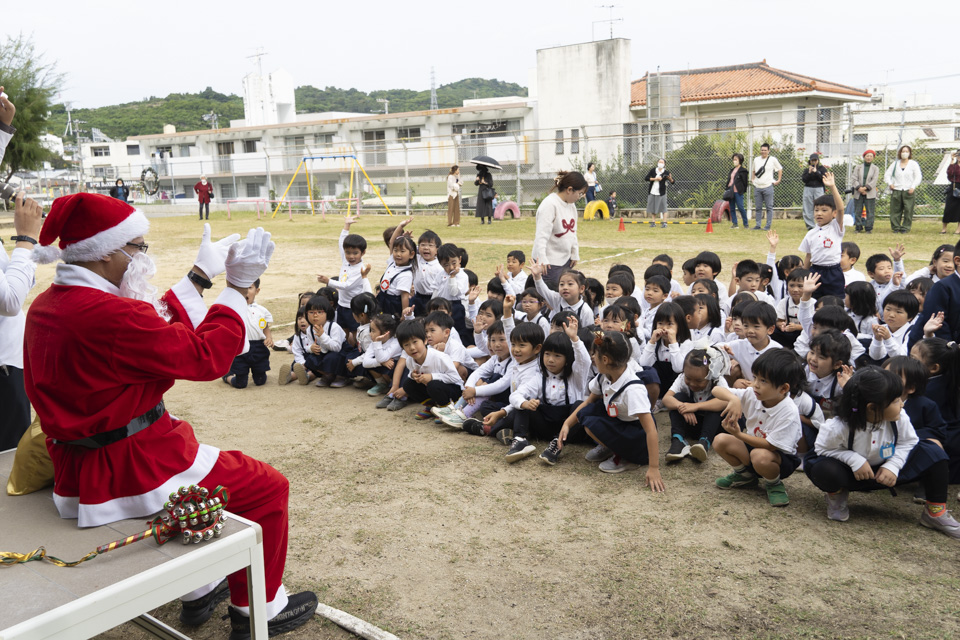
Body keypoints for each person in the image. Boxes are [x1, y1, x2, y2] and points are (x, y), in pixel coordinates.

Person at [24, 194, 317, 636]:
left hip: (78, 464)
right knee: (267, 489)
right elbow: (205, 357)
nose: (144, 257)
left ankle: (199, 590)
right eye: (138, 247)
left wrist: (200, 276)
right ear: (105, 251)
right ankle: (258, 608)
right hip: (133, 464)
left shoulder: (49, 303)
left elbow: (150, 328)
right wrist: (236, 288)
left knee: (215, 487)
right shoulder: (111, 316)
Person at [804, 367, 958, 536]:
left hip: (887, 473)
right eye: (895, 400)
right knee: (823, 469)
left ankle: (934, 512)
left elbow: (909, 441)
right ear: (872, 408)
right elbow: (821, 448)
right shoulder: (838, 426)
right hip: (852, 474)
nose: (902, 403)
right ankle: (837, 495)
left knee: (934, 452)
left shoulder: (900, 417)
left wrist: (893, 465)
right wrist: (853, 459)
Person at [0, 90, 42, 452]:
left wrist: (3, 126)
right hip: (3, 370)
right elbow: (9, 300)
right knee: (8, 464)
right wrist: (26, 240)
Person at [712, 349, 804, 507]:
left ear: (783, 389)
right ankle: (745, 476)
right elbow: (716, 390)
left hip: (780, 458)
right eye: (755, 378)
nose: (755, 385)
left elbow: (771, 445)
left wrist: (738, 435)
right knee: (720, 441)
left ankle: (774, 484)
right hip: (754, 446)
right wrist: (733, 399)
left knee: (759, 455)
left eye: (763, 381)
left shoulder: (789, 411)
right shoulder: (751, 394)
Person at [531, 171, 585, 285]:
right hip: (549, 263)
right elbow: (541, 236)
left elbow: (572, 232)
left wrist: (574, 252)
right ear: (569, 190)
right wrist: (543, 259)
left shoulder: (571, 205)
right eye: (579, 193)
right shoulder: (550, 204)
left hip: (565, 261)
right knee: (549, 297)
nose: (579, 197)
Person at [799, 172, 845, 300]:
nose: (819, 213)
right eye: (816, 210)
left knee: (835, 302)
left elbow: (841, 209)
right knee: (814, 301)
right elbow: (808, 256)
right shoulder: (811, 233)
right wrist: (804, 274)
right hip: (815, 272)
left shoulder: (836, 227)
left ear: (834, 213)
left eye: (824, 210)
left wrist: (832, 187)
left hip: (833, 272)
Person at [222, 278, 273, 389]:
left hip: (259, 347)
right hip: (240, 348)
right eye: (242, 287)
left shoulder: (262, 310)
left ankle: (258, 373)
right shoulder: (233, 309)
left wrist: (269, 337)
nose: (245, 291)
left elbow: (265, 327)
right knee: (241, 383)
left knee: (260, 381)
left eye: (249, 287)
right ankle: (227, 376)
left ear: (257, 291)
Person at [885, 145, 923, 234]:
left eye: (906, 151)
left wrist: (913, 186)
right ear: (900, 153)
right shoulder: (895, 164)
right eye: (903, 151)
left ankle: (905, 227)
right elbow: (887, 175)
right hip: (897, 189)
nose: (904, 153)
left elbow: (918, 176)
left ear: (909, 153)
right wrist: (890, 183)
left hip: (908, 190)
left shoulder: (913, 164)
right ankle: (896, 227)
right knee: (895, 209)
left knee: (908, 209)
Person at [750, 143, 783, 231]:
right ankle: (758, 225)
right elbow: (753, 170)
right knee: (758, 207)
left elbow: (779, 169)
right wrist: (753, 180)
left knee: (769, 207)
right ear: (760, 150)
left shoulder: (772, 159)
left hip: (768, 186)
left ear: (768, 151)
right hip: (757, 187)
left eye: (765, 150)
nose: (763, 152)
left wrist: (778, 180)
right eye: (762, 150)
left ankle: (768, 225)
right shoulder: (756, 159)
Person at [850, 150, 879, 233]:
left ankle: (868, 228)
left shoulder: (875, 168)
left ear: (873, 157)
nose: (869, 158)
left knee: (870, 211)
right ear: (864, 157)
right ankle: (858, 227)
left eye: (871, 156)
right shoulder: (858, 167)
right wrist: (859, 188)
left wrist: (866, 188)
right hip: (858, 192)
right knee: (857, 210)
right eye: (867, 156)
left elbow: (874, 180)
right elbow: (854, 178)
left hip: (869, 192)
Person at [801, 153, 827, 230]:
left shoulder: (822, 169)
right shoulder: (806, 170)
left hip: (818, 188)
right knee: (808, 207)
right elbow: (804, 180)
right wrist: (809, 173)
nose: (814, 162)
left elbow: (823, 178)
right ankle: (810, 226)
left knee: (821, 206)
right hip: (808, 188)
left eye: (815, 160)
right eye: (812, 160)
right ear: (810, 161)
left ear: (818, 161)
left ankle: (821, 224)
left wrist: (816, 172)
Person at [645, 158, 674, 228]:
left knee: (663, 208)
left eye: (662, 162)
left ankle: (664, 222)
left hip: (661, 192)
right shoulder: (653, 170)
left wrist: (670, 178)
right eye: (659, 162)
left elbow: (673, 182)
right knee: (653, 208)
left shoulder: (666, 172)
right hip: (653, 191)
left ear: (664, 164)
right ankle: (653, 222)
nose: (660, 163)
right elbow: (646, 178)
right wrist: (655, 179)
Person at [725, 153, 749, 228]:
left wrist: (742, 190)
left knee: (741, 207)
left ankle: (745, 224)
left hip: (738, 192)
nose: (734, 161)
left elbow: (745, 182)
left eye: (736, 159)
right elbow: (729, 180)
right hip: (731, 191)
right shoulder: (732, 170)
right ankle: (735, 224)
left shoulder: (743, 171)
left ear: (740, 160)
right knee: (732, 208)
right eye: (733, 159)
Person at [943, 150, 960, 235]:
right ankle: (944, 228)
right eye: (958, 155)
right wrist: (952, 160)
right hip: (954, 187)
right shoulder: (954, 166)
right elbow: (949, 174)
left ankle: (958, 229)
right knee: (948, 208)